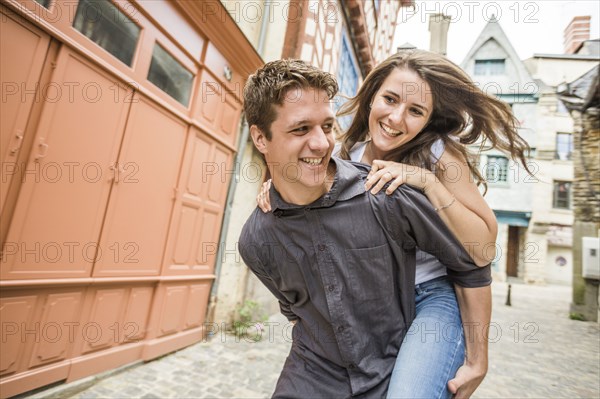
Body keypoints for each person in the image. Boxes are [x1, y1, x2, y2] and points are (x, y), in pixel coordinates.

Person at [256, 50, 530, 398]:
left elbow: (482, 248)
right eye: (390, 99)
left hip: (432, 297)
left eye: (416, 111)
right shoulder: (345, 154)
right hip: (372, 302)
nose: (397, 118)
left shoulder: (438, 153)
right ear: (372, 98)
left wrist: (426, 182)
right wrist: (273, 187)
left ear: (428, 119)